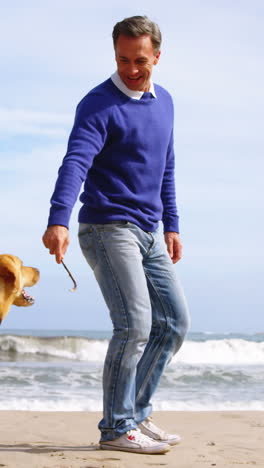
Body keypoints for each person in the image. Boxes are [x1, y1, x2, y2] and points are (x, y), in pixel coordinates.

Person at [42, 15, 190, 455]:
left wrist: (173, 224)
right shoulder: (98, 104)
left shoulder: (165, 103)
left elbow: (166, 167)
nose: (130, 69)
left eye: (139, 60)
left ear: (157, 57)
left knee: (174, 324)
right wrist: (59, 218)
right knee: (134, 325)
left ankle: (137, 414)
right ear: (115, 55)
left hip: (149, 230)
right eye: (123, 59)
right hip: (108, 228)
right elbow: (75, 162)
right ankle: (116, 428)